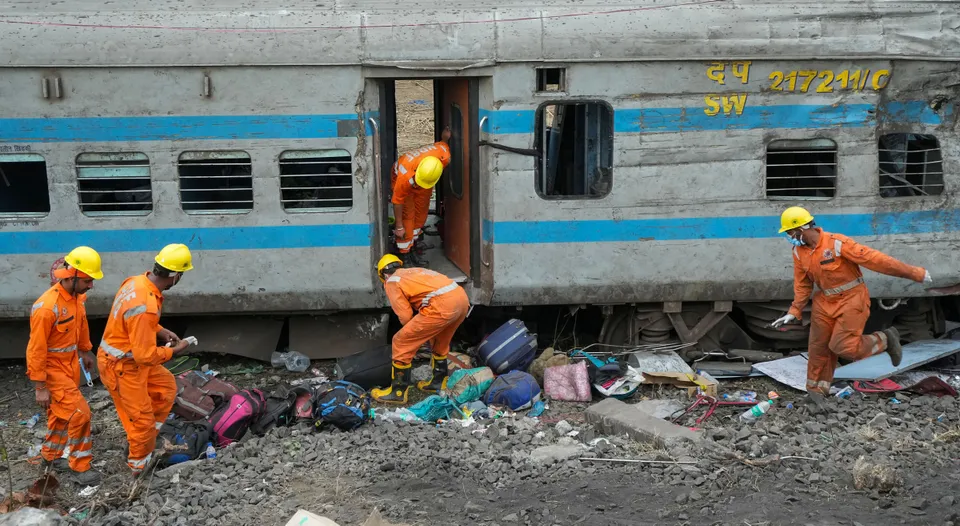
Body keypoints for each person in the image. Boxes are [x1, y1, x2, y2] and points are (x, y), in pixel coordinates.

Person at [771, 206, 932, 398]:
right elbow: (802, 284)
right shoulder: (798, 252)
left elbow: (875, 260)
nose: (789, 236)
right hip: (824, 301)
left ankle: (885, 339)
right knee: (818, 348)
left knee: (843, 347)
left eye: (790, 232)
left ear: (802, 229)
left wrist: (915, 273)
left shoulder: (837, 243)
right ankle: (816, 392)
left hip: (851, 298)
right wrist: (794, 310)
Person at [97, 243, 195, 475]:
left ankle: (147, 441)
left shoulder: (136, 282)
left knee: (166, 387)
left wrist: (160, 331)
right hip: (122, 366)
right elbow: (145, 356)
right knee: (141, 421)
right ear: (175, 276)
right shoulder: (146, 305)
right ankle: (138, 469)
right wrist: (175, 350)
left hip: (128, 361)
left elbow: (132, 320)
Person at [26, 247, 104, 485]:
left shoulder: (77, 298)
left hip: (69, 366)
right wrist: (40, 386)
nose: (91, 285)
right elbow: (35, 350)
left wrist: (84, 350)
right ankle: (80, 467)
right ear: (73, 276)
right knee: (80, 413)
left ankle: (49, 456)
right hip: (52, 371)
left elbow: (80, 323)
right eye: (89, 280)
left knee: (60, 414)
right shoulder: (47, 308)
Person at [371, 254, 470, 404]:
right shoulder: (413, 271)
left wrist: (413, 337)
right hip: (461, 300)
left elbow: (405, 316)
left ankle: (397, 392)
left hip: (441, 306)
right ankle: (438, 382)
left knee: (401, 341)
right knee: (439, 341)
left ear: (383, 274)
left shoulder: (392, 281)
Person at [390, 128, 452, 266]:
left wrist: (446, 136)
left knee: (421, 214)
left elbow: (443, 142)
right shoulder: (405, 174)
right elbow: (397, 201)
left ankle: (414, 246)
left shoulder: (443, 156)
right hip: (404, 183)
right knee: (408, 218)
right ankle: (404, 255)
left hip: (424, 183)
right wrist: (399, 226)